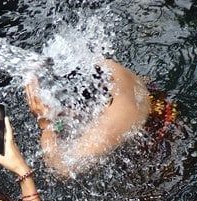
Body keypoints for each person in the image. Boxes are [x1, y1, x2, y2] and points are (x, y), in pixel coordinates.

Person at [24, 59, 177, 177]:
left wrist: (46, 124)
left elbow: (60, 169)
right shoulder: (108, 68)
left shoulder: (108, 126)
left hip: (162, 149)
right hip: (160, 104)